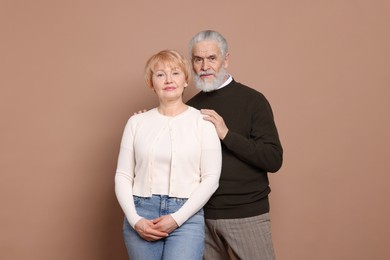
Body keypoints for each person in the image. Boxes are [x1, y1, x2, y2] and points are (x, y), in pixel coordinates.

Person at [115, 50, 222, 260]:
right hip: (140, 212)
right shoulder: (136, 122)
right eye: (160, 74)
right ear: (151, 83)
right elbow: (123, 175)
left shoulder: (203, 122)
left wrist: (177, 218)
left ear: (185, 80)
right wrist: (135, 219)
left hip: (186, 214)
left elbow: (211, 179)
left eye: (175, 73)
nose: (168, 80)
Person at [186, 30, 283, 260]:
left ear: (226, 59)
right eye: (198, 59)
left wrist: (226, 134)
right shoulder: (189, 108)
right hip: (201, 217)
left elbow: (273, 158)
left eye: (212, 58)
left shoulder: (253, 100)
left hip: (246, 214)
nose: (205, 66)